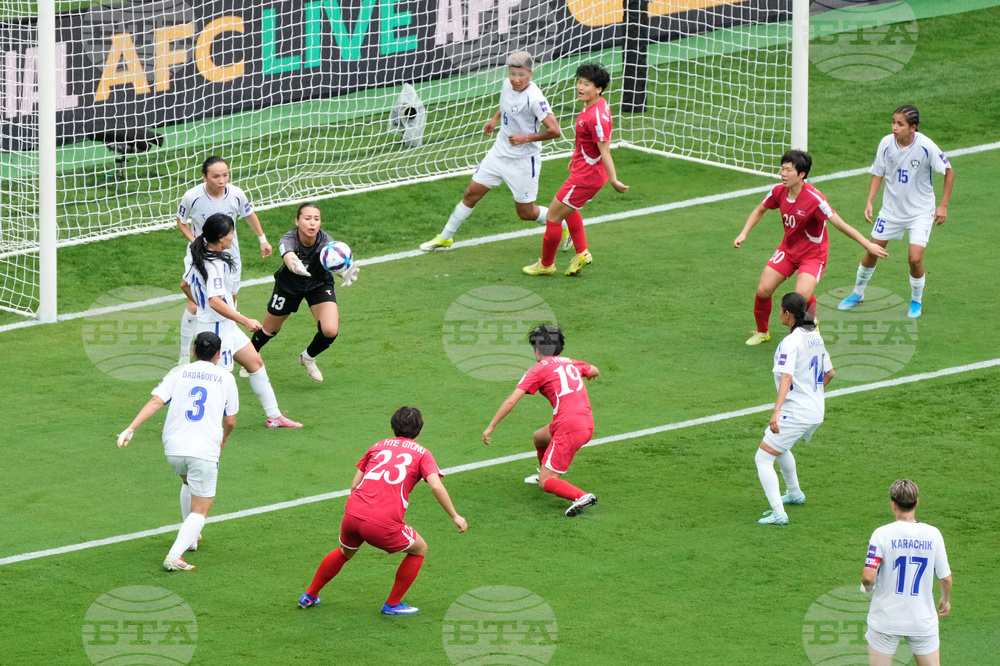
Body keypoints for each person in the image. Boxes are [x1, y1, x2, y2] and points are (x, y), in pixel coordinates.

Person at [298, 407, 467, 615]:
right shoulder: (423, 453)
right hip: (382, 522)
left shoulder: (378, 445)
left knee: (345, 551)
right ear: (419, 429)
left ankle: (309, 595)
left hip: (353, 512)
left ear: (394, 426)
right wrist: (455, 516)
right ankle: (392, 605)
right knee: (419, 549)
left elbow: (354, 486)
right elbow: (435, 486)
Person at [734, 150, 889, 345]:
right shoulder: (778, 191)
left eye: (788, 170)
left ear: (801, 174)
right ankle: (762, 332)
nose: (783, 174)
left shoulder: (815, 199)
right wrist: (744, 233)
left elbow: (840, 224)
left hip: (813, 256)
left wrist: (868, 245)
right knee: (764, 289)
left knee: (801, 297)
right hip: (788, 250)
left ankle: (810, 325)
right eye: (782, 169)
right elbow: (760, 210)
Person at [116, 332, 238, 571]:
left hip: (174, 448)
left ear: (194, 351)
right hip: (203, 450)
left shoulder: (179, 372)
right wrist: (223, 439)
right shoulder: (226, 378)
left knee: (187, 483)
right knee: (201, 510)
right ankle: (174, 557)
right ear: (218, 355)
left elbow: (156, 401)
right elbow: (230, 420)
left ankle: (190, 538)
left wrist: (131, 428)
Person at [419, 51, 561, 252]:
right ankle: (445, 238)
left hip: (522, 161)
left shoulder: (535, 99)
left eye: (521, 75)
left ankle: (564, 224)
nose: (516, 79)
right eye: (513, 74)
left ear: (530, 74)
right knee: (471, 194)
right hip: (498, 154)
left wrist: (525, 138)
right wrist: (495, 119)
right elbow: (507, 104)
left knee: (526, 213)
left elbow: (555, 131)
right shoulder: (507, 85)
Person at [180, 213, 302, 428]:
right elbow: (215, 301)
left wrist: (202, 307)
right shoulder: (215, 265)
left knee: (255, 363)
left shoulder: (198, 252)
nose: (233, 236)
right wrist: (244, 320)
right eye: (231, 232)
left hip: (221, 324)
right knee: (220, 379)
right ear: (220, 238)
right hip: (217, 329)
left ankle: (274, 415)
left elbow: (184, 285)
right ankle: (198, 423)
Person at [839, 105, 955, 319]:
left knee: (914, 259)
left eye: (900, 124)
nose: (894, 127)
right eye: (893, 122)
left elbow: (949, 172)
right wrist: (870, 201)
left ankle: (916, 301)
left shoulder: (926, 146)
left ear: (913, 127)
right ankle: (857, 293)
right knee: (871, 251)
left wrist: (943, 205)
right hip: (891, 212)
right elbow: (878, 173)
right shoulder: (886, 144)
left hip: (920, 212)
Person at [523, 63, 628, 278]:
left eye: (586, 84)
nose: (580, 87)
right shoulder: (597, 105)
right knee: (569, 209)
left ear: (598, 88)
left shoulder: (595, 117)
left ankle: (546, 264)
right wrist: (576, 157)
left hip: (586, 177)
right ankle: (581, 252)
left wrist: (614, 180)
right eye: (580, 82)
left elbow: (605, 150)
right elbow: (588, 143)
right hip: (585, 170)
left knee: (553, 217)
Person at [483, 325, 600, 517]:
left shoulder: (538, 369)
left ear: (537, 350)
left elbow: (512, 400)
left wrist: (491, 426)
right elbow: (594, 370)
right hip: (585, 423)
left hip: (568, 427)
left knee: (547, 482)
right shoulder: (571, 362)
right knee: (539, 437)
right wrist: (592, 374)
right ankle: (544, 471)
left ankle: (582, 496)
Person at [250, 203, 360, 384]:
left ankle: (308, 357)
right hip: (289, 286)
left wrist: (344, 272)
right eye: (307, 219)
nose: (312, 223)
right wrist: (295, 266)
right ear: (297, 221)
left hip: (318, 284)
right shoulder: (288, 239)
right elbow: (289, 257)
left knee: (330, 330)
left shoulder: (326, 242)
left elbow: (331, 263)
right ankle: (251, 355)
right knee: (269, 329)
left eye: (316, 219)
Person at [177, 156, 271, 364]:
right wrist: (196, 242)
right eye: (215, 176)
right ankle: (184, 354)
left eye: (225, 175)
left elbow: (249, 214)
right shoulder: (192, 196)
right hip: (200, 255)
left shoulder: (236, 194)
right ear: (205, 177)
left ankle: (230, 346)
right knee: (195, 305)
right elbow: (181, 222)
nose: (221, 181)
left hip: (230, 257)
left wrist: (262, 239)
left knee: (230, 302)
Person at [754, 292, 834, 525]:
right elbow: (830, 373)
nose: (778, 312)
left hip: (797, 411)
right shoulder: (814, 336)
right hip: (815, 408)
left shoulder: (790, 342)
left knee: (763, 457)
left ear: (787, 314)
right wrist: (811, 393)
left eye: (780, 309)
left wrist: (777, 411)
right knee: (780, 447)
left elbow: (787, 376)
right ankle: (794, 493)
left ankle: (779, 514)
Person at [861, 479, 952, 666]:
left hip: (885, 619)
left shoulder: (881, 534)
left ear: (893, 504)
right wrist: (945, 599)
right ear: (916, 502)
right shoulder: (933, 534)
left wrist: (868, 588)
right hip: (921, 620)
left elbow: (868, 577)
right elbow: (945, 578)